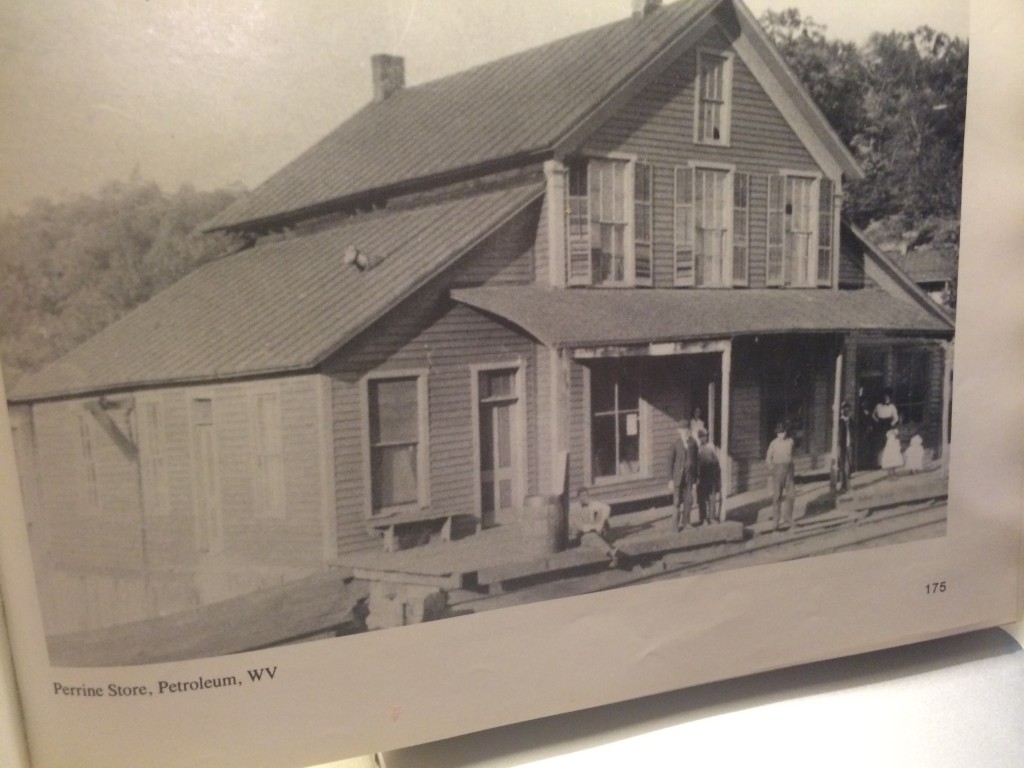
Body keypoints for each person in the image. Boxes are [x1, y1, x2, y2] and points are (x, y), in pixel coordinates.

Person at [568, 487, 619, 567]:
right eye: (582, 495)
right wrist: (595, 527)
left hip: (591, 532)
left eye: (586, 495)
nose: (585, 497)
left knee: (598, 530)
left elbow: (607, 508)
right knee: (592, 537)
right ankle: (612, 552)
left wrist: (601, 522)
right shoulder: (574, 508)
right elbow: (581, 527)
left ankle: (612, 551)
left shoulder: (591, 504)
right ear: (578, 497)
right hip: (579, 536)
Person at [765, 422, 796, 531]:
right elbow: (768, 459)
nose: (781, 435)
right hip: (778, 471)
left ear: (786, 432)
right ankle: (776, 521)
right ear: (776, 433)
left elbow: (792, 455)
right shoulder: (773, 443)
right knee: (777, 496)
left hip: (789, 470)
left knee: (791, 495)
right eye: (779, 433)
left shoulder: (790, 442)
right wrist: (772, 469)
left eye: (782, 432)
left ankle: (788, 517)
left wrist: (791, 467)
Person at [668, 426, 698, 531]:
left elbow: (696, 461)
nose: (685, 432)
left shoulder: (693, 444)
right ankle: (675, 526)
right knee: (677, 502)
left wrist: (695, 478)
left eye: (687, 430)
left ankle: (686, 523)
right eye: (683, 430)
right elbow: (670, 463)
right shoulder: (675, 444)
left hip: (689, 478)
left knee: (688, 500)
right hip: (678, 478)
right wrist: (670, 480)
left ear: (689, 431)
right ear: (679, 431)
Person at [694, 428, 721, 526]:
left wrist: (717, 476)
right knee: (702, 499)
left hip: (711, 476)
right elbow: (695, 464)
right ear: (699, 438)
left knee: (712, 497)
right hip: (701, 477)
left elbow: (716, 462)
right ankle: (703, 519)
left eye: (704, 436)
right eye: (701, 437)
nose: (703, 438)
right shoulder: (697, 448)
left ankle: (712, 518)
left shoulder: (711, 447)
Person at [871, 389, 900, 467]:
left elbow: (896, 418)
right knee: (880, 442)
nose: (886, 399)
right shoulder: (878, 406)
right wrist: (877, 421)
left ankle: (889, 462)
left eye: (888, 397)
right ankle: (880, 463)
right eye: (885, 397)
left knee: (888, 443)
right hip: (880, 425)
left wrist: (891, 423)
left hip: (888, 425)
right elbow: (873, 415)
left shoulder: (892, 406)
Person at [837, 401, 853, 493]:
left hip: (849, 444)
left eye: (848, 409)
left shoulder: (850, 421)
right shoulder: (840, 421)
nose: (846, 411)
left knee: (848, 464)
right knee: (843, 464)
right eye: (844, 409)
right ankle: (844, 485)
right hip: (842, 445)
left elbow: (853, 431)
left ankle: (846, 484)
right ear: (842, 410)